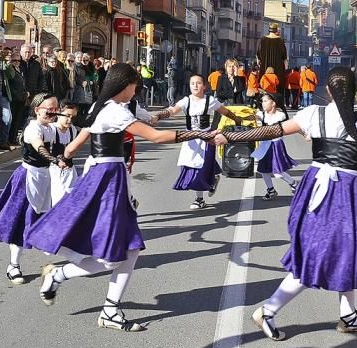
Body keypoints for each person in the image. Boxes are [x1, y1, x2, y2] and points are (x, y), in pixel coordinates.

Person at [214, 66, 357, 340]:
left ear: (328, 91)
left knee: (345, 250)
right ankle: (269, 310)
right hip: (337, 191)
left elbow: (271, 131)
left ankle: (348, 314)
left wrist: (232, 136)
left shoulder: (313, 114)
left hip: (315, 186)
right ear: (355, 89)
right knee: (319, 254)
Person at [25, 64, 217, 331]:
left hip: (109, 177)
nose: (136, 90)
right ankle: (73, 284)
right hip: (109, 179)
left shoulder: (99, 107)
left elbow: (77, 142)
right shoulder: (114, 110)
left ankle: (105, 305)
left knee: (130, 249)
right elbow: (156, 137)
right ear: (123, 84)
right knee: (116, 252)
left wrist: (66, 156)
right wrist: (202, 134)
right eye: (134, 85)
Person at [0, 93, 64, 284]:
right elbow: (40, 147)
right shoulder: (33, 128)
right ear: (37, 110)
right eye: (48, 109)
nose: (52, 112)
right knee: (19, 222)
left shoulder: (51, 128)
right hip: (28, 177)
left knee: (45, 218)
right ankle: (13, 265)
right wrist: (54, 160)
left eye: (55, 109)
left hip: (45, 177)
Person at [159, 74, 239, 209]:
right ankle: (208, 186)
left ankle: (199, 197)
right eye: (192, 83)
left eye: (198, 83)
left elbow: (225, 111)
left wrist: (237, 119)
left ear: (204, 86)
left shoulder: (210, 100)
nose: (195, 86)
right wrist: (159, 116)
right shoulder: (186, 101)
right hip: (190, 138)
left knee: (201, 167)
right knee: (191, 166)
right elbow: (172, 110)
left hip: (207, 138)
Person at [252, 91, 298, 199]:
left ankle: (295, 184)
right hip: (264, 144)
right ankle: (271, 190)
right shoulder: (261, 114)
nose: (263, 103)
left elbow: (288, 127)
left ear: (273, 103)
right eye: (262, 101)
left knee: (278, 171)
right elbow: (252, 117)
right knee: (263, 170)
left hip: (276, 144)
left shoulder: (280, 115)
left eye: (265, 101)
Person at [14, 44, 43, 135]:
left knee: (30, 116)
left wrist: (38, 91)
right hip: (21, 94)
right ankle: (17, 135)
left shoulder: (36, 64)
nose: (27, 54)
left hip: (33, 94)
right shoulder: (18, 63)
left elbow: (41, 78)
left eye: (29, 52)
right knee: (18, 116)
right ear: (21, 52)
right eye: (25, 52)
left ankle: (26, 134)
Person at [257, 23, 288, 95]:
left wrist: (259, 64)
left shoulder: (263, 39)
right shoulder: (280, 40)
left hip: (264, 69)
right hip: (278, 70)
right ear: (276, 30)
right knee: (278, 89)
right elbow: (284, 57)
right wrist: (285, 68)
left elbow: (258, 55)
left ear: (269, 30)